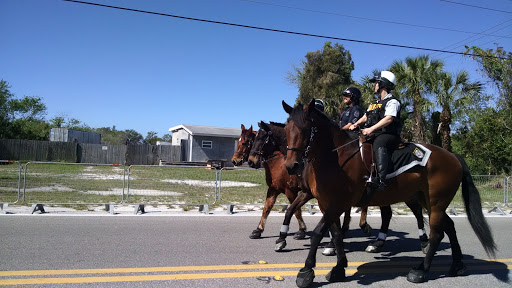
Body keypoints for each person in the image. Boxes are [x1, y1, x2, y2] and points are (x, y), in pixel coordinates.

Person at [349, 71, 402, 194]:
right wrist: (356, 124)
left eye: (377, 83)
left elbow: (389, 118)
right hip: (374, 132)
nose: (375, 85)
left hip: (389, 134)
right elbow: (366, 117)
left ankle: (381, 180)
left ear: (383, 84)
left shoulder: (393, 102)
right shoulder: (374, 103)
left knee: (379, 143)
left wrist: (371, 129)